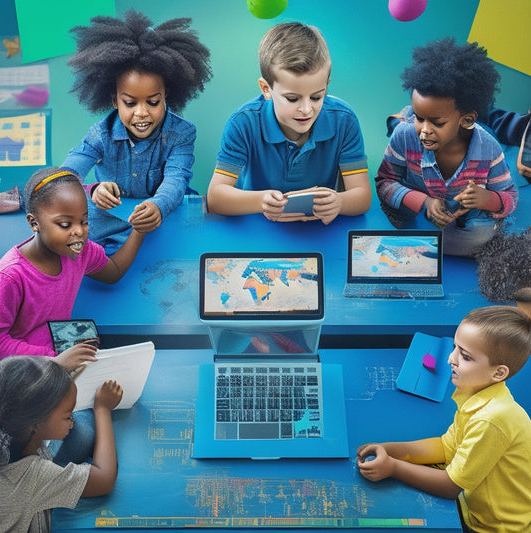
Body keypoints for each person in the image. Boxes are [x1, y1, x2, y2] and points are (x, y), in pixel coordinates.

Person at [0, 166, 143, 465]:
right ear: (34, 223)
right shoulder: (11, 277)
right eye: (65, 224)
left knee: (100, 421)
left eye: (84, 221)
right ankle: (38, 477)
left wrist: (139, 232)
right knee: (77, 436)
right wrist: (53, 362)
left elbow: (112, 272)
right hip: (26, 376)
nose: (79, 232)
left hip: (66, 365)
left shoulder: (79, 251)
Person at [357, 306, 531, 533]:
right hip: (473, 506)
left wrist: (393, 468)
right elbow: (446, 447)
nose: (451, 359)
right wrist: (392, 449)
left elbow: (450, 487)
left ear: (498, 373)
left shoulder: (491, 419)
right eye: (455, 348)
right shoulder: (477, 393)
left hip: (494, 527)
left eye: (465, 356)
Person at [62, 10, 211, 253]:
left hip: (165, 217)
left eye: (152, 102)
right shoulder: (100, 134)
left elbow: (176, 179)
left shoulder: (181, 134)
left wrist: (158, 206)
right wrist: (93, 190)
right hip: (114, 219)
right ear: (114, 101)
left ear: (166, 95)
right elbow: (64, 176)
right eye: (130, 103)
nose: (141, 113)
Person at [206, 22, 371, 225]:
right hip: (258, 228)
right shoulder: (243, 123)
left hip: (318, 231)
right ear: (266, 89)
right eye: (293, 99)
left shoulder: (344, 121)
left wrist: (339, 202)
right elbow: (215, 198)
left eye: (317, 97)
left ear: (327, 84)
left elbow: (362, 197)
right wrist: (262, 201)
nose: (306, 109)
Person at [376, 38, 517, 256]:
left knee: (480, 237)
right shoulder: (405, 136)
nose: (424, 130)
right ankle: (403, 117)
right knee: (398, 214)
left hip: (462, 216)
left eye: (437, 123)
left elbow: (509, 197)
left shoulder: (489, 149)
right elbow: (384, 182)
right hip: (420, 202)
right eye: (419, 117)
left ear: (467, 120)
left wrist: (486, 199)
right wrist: (424, 202)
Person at [0, 356, 122, 532]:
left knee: (83, 431)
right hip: (28, 495)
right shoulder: (30, 477)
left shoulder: (10, 420)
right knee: (85, 428)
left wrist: (50, 372)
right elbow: (104, 479)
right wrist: (102, 409)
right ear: (36, 422)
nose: (72, 422)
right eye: (67, 416)